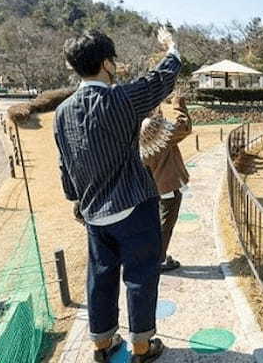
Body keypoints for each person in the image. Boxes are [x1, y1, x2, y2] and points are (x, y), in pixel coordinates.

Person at [54, 27, 181, 363]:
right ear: (107, 63)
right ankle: (141, 347)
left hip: (94, 213)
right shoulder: (121, 99)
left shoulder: (62, 112)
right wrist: (171, 46)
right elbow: (161, 79)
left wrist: (76, 201)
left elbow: (65, 165)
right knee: (140, 275)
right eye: (114, 60)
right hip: (133, 207)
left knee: (101, 277)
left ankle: (102, 344)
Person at [140, 94, 192, 272]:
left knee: (153, 222)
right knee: (166, 223)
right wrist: (179, 106)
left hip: (149, 186)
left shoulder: (135, 127)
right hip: (167, 185)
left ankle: (152, 255)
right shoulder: (154, 127)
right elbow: (184, 127)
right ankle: (159, 260)